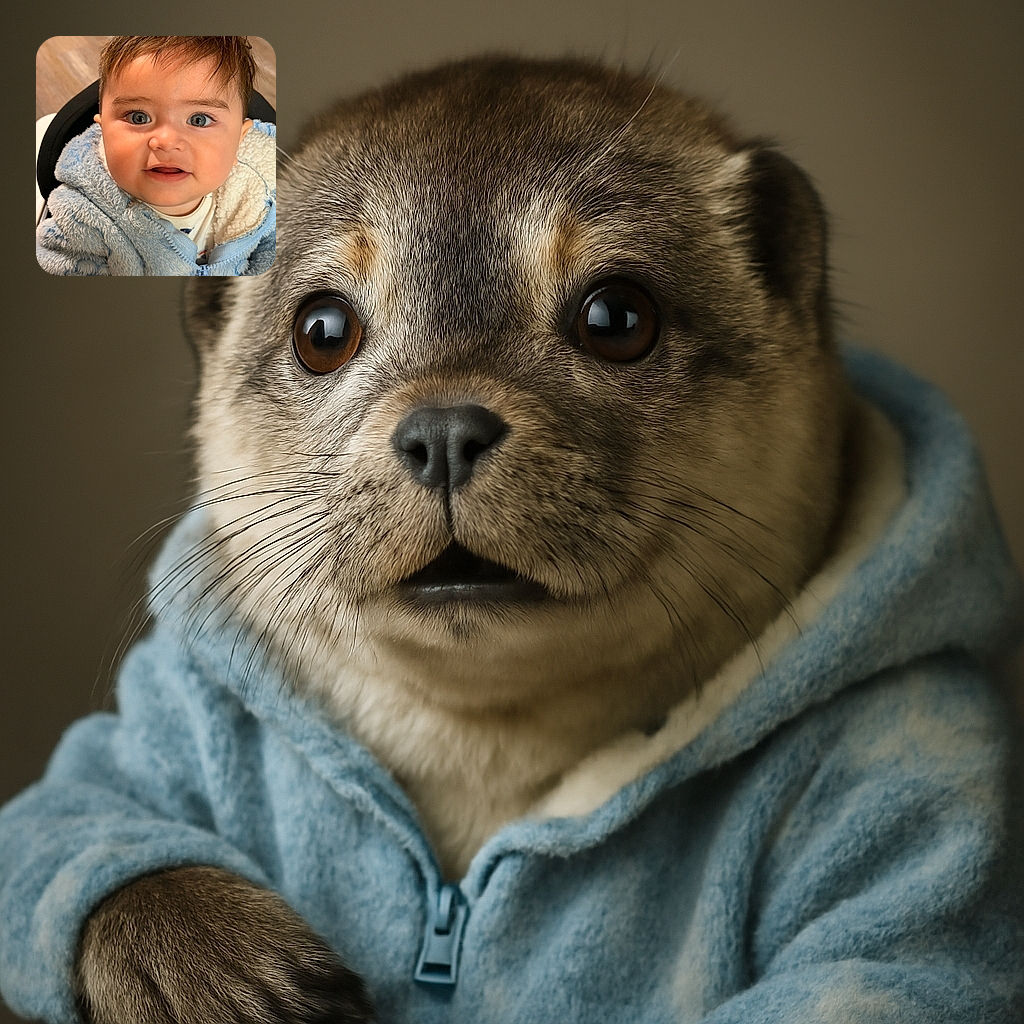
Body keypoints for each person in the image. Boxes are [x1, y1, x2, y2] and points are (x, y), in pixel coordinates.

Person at [36, 35, 276, 276]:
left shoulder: (262, 202)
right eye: (138, 117)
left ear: (238, 140)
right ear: (103, 131)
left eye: (198, 120)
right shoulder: (80, 222)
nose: (167, 142)